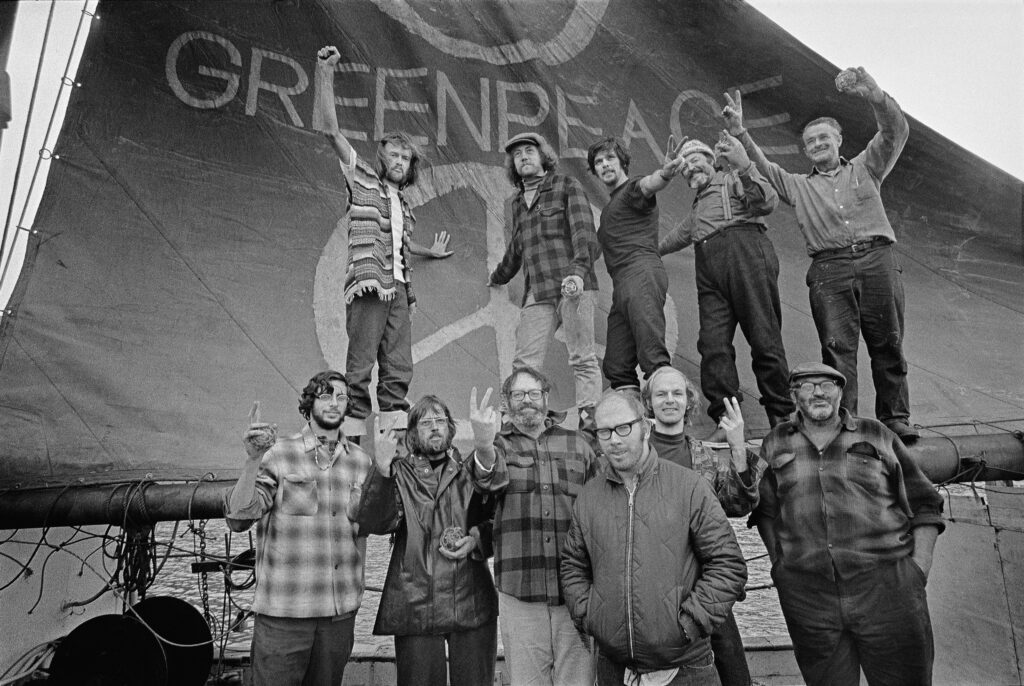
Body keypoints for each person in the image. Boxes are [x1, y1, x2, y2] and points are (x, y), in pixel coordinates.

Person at [721, 67, 919, 442]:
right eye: (810, 140)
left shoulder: (867, 167)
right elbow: (764, 167)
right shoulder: (797, 187)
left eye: (824, 137)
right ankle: (847, 426)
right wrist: (740, 132)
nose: (817, 143)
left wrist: (875, 95)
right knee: (837, 351)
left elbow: (896, 132)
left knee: (888, 343)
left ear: (839, 140)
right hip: (829, 269)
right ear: (805, 149)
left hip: (878, 259)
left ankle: (895, 420)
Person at [750, 362, 944, 685]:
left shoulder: (876, 434)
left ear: (841, 392)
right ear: (794, 395)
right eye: (808, 386)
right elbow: (764, 511)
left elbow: (925, 502)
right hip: (811, 600)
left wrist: (917, 571)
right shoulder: (776, 442)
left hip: (888, 590)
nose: (819, 393)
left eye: (828, 385)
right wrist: (780, 567)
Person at [561, 390, 748, 686]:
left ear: (645, 428)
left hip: (686, 669)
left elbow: (728, 565)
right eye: (605, 432)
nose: (615, 440)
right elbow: (573, 565)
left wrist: (690, 623)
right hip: (614, 669)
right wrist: (590, 617)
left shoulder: (690, 487)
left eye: (624, 428)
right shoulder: (589, 497)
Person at [314, 45, 454, 441]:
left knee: (398, 370)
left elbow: (399, 243)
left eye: (405, 157)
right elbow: (330, 130)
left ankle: (391, 453)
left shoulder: (404, 205)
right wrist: (325, 73)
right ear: (382, 158)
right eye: (393, 154)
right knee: (359, 370)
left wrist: (430, 251)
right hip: (370, 283)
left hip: (399, 290)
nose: (398, 160)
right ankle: (352, 449)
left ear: (410, 167)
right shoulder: (362, 180)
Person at [224, 370, 373, 686]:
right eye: (325, 394)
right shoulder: (278, 454)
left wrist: (357, 591)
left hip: (338, 617)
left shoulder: (362, 462)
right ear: (308, 405)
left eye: (341, 396)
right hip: (284, 618)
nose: (334, 402)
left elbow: (364, 530)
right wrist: (252, 460)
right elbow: (238, 518)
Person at [350, 395, 498, 686]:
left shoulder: (472, 469)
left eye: (440, 420)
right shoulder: (398, 473)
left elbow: (501, 520)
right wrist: (380, 469)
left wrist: (477, 541)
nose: (434, 427)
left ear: (451, 429)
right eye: (425, 422)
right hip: (414, 602)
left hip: (471, 599)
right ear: (413, 432)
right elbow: (374, 523)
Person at [467, 367, 599, 685]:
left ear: (546, 398)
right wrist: (483, 445)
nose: (526, 400)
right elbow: (486, 482)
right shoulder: (496, 447)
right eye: (518, 394)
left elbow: (601, 511)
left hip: (576, 592)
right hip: (520, 593)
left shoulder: (579, 445)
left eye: (533, 393)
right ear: (507, 403)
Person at [659, 135, 793, 436]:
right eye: (685, 168)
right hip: (709, 268)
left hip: (746, 252)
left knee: (763, 337)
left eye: (696, 161)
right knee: (712, 345)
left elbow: (768, 201)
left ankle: (783, 419)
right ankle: (727, 421)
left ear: (711, 160)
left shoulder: (733, 178)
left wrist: (744, 165)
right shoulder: (697, 210)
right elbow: (677, 236)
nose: (690, 169)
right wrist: (652, 251)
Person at [643, 365, 765, 686]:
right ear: (649, 403)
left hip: (707, 586)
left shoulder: (704, 456)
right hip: (654, 590)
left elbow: (739, 505)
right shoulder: (635, 456)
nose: (670, 400)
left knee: (735, 675)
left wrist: (738, 445)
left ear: (688, 402)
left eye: (677, 393)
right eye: (661, 394)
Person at [488, 132, 601, 422]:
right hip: (537, 290)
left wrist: (577, 274)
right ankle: (521, 424)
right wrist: (499, 276)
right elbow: (517, 247)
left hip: (573, 285)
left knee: (582, 358)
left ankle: (591, 425)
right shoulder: (516, 203)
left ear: (543, 157)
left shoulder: (566, 185)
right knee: (524, 364)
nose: (523, 156)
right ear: (512, 164)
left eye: (529, 151)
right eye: (517, 154)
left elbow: (585, 235)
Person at [586, 136, 685, 394]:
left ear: (623, 163)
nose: (605, 165)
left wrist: (664, 173)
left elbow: (650, 184)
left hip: (641, 272)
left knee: (652, 353)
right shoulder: (609, 210)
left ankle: (670, 426)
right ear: (594, 170)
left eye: (610, 158)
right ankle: (633, 423)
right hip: (622, 286)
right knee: (617, 365)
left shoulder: (631, 190)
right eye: (599, 161)